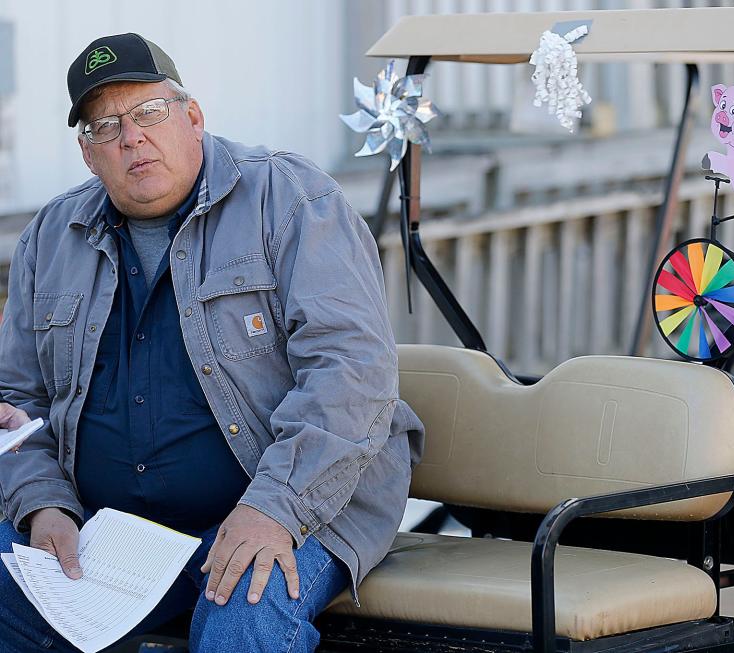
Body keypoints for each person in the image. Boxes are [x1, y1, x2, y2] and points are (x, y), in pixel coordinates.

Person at [0, 33, 423, 652]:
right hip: (109, 530)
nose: (130, 138)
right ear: (88, 153)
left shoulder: (292, 199)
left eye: (149, 113)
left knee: (242, 616)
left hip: (294, 504)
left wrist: (275, 508)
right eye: (105, 126)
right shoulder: (51, 236)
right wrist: (42, 504)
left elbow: (350, 371)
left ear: (192, 118)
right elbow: (18, 399)